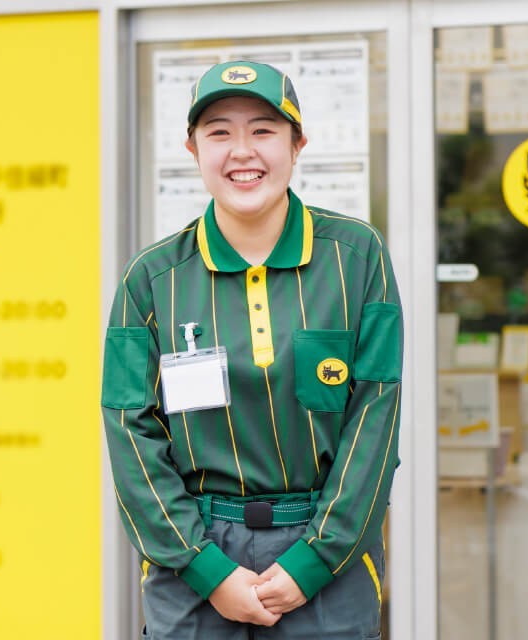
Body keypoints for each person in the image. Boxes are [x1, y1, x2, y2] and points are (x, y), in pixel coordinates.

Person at [101, 59, 403, 639]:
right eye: (219, 132)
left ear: (297, 145)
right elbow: (129, 433)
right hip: (194, 559)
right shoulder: (152, 278)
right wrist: (206, 569)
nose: (242, 151)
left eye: (263, 130)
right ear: (193, 149)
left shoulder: (356, 257)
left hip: (326, 554)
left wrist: (312, 562)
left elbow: (376, 418)